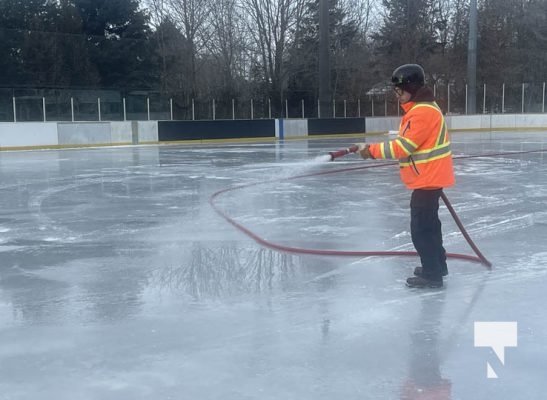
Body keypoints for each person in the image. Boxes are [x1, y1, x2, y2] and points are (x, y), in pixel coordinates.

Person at [355, 64, 455, 288]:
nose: (397, 95)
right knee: (431, 226)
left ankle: (432, 274)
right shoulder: (425, 108)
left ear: (411, 87)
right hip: (430, 178)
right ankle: (438, 265)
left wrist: (370, 151)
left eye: (399, 90)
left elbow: (403, 147)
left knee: (422, 230)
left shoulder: (421, 112)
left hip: (427, 179)